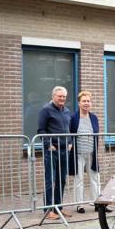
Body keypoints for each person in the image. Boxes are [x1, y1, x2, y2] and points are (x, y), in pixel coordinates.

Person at [37, 86, 72, 220]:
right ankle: (48, 210)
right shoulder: (46, 110)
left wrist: (70, 143)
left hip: (65, 151)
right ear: (53, 96)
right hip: (52, 151)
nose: (62, 98)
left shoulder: (67, 111)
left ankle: (58, 207)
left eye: (64, 96)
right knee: (50, 180)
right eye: (59, 96)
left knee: (61, 180)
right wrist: (48, 145)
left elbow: (68, 129)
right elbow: (41, 130)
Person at [69, 91, 104, 214]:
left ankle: (97, 203)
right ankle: (79, 205)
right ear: (79, 103)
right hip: (78, 153)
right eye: (84, 101)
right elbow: (70, 134)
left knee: (95, 178)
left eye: (88, 101)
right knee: (79, 179)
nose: (86, 103)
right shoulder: (73, 118)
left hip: (91, 153)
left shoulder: (94, 117)